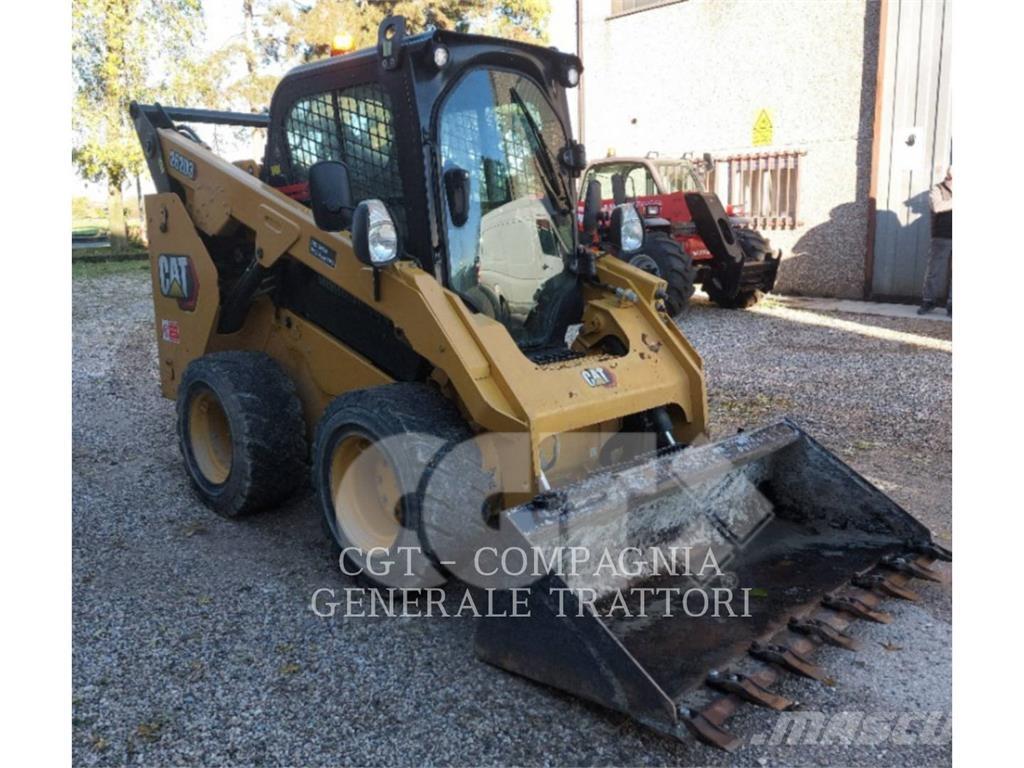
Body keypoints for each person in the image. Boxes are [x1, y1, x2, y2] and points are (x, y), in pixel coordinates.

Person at [918, 167, 952, 315]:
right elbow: (937, 207)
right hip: (942, 236)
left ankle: (953, 305)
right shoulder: (937, 189)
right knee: (934, 270)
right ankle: (928, 301)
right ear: (949, 176)